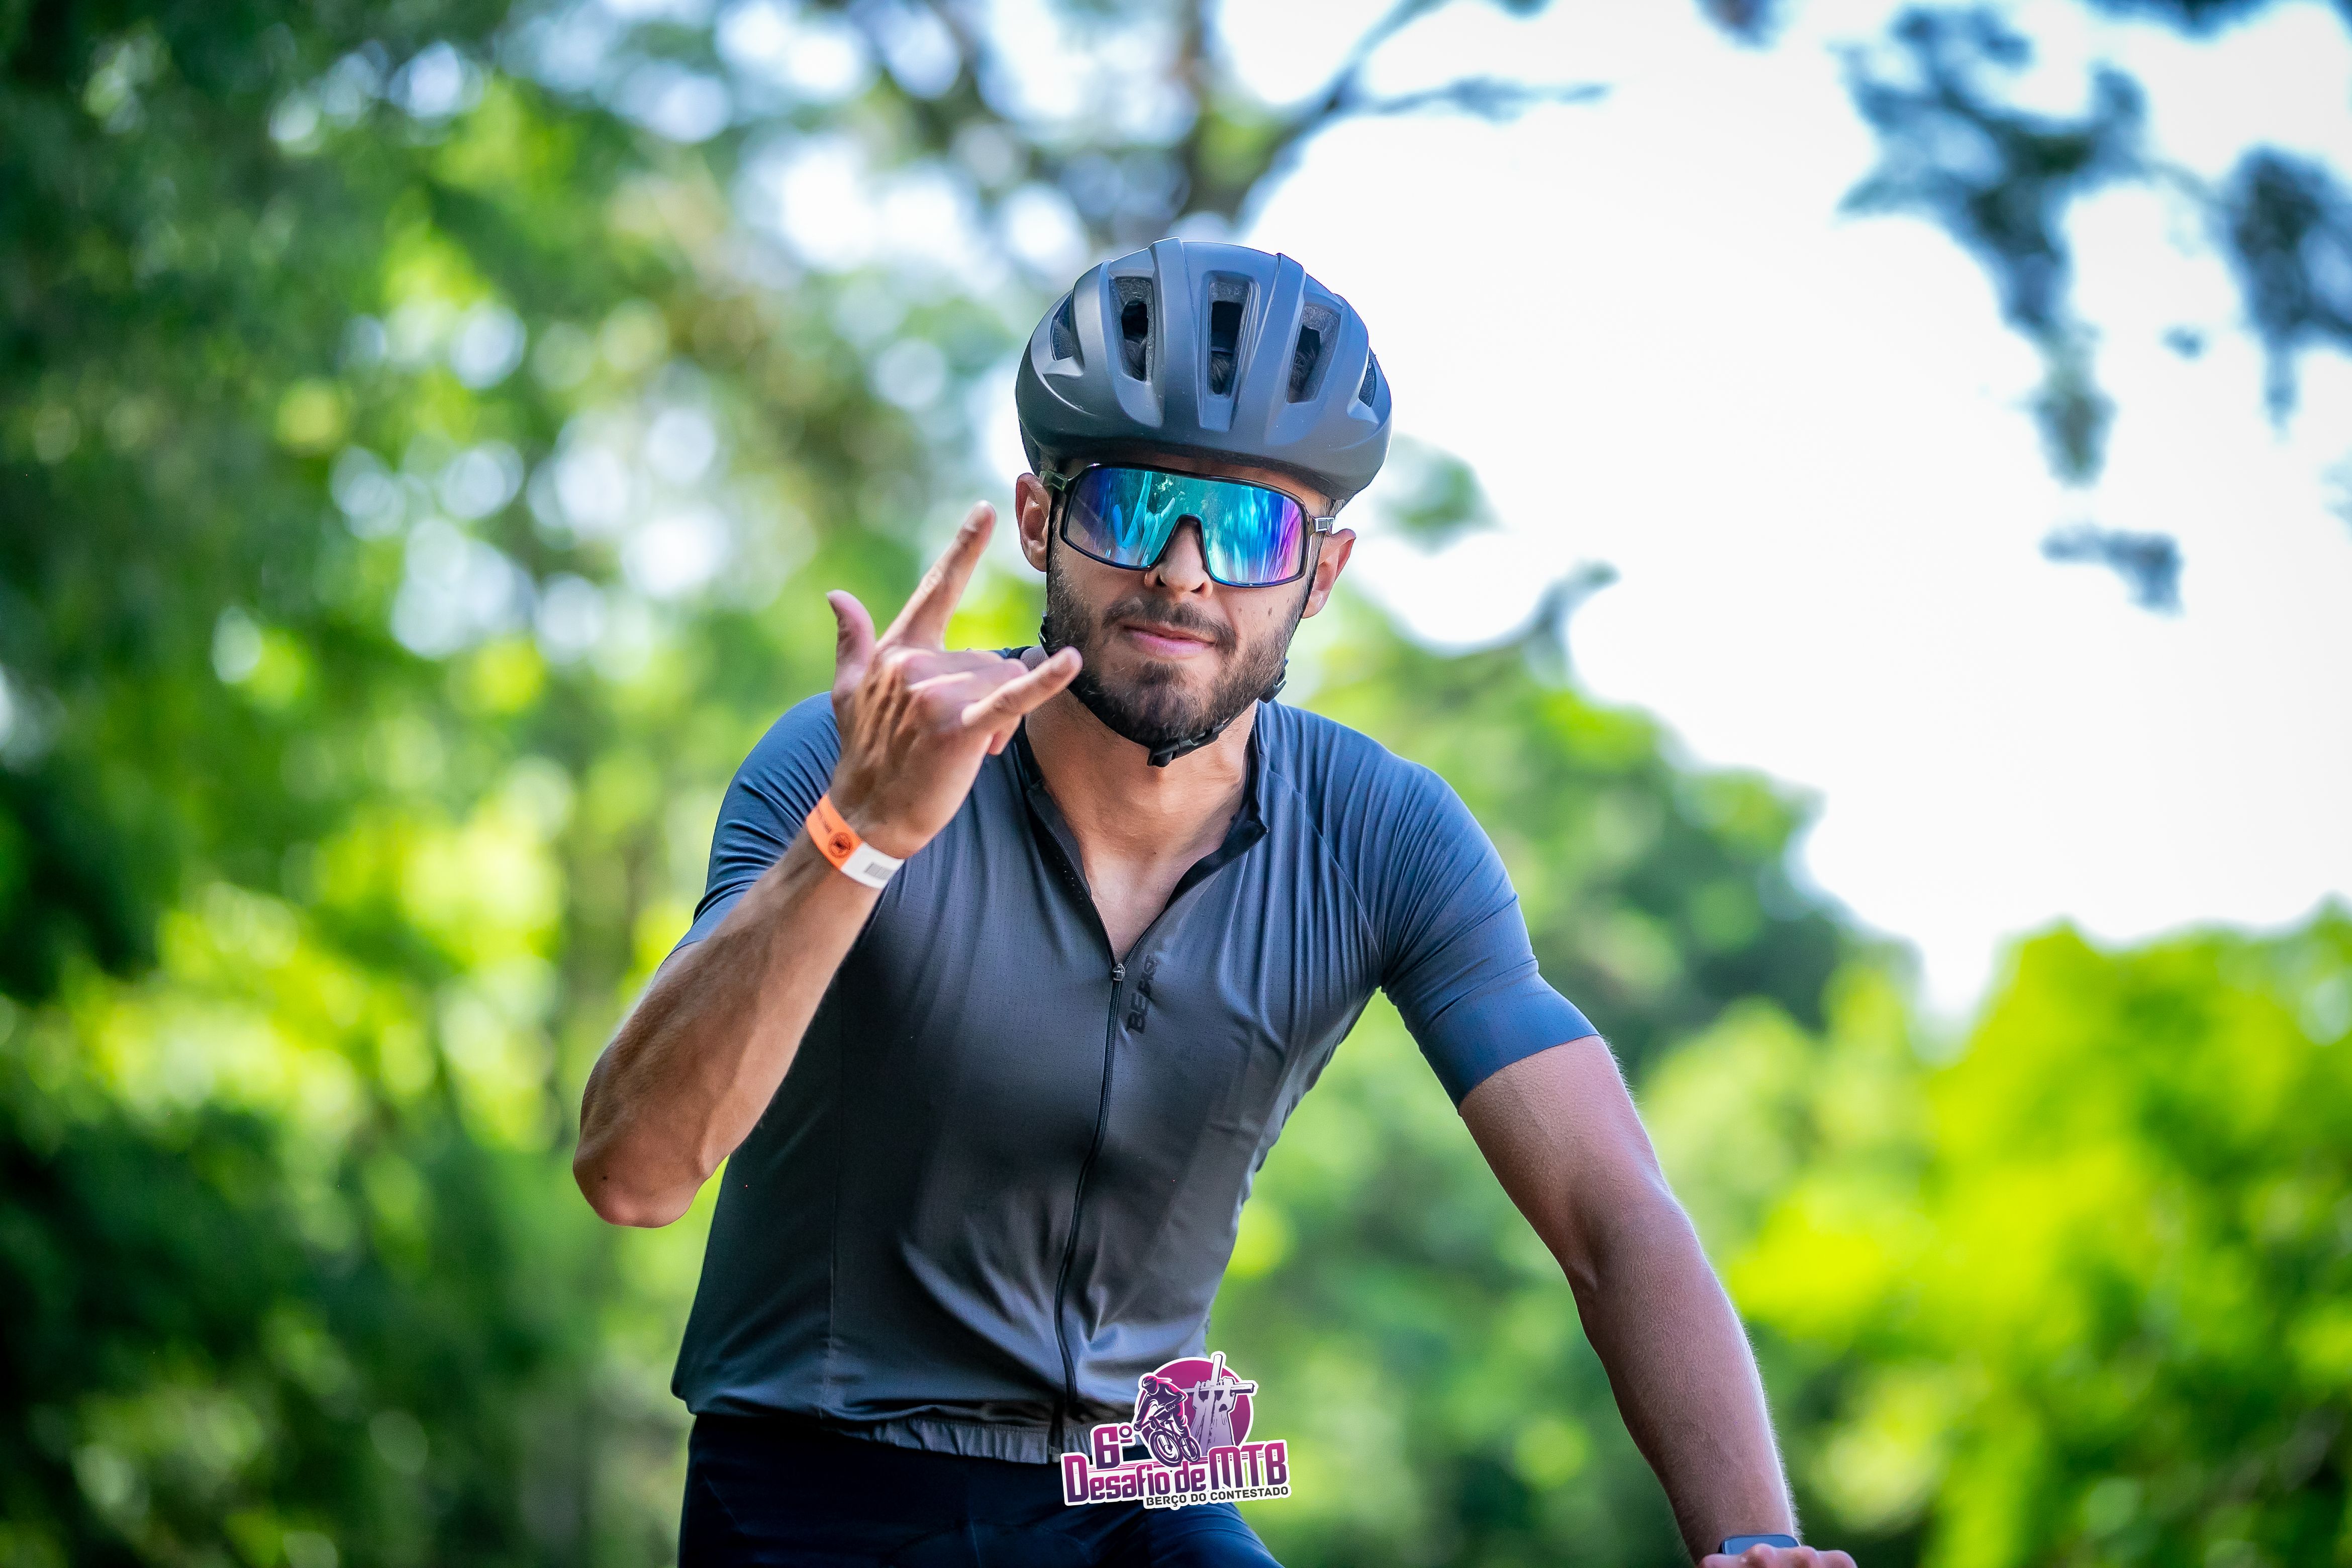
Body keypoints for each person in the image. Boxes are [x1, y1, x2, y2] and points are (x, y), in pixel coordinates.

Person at [573, 239, 1855, 1568]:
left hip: (1146, 1489)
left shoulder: (1384, 838)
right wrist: (862, 835)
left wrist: (1756, 1543)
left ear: (1322, 574)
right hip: (821, 1490)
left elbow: (1612, 1215)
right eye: (1137, 506)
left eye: (1250, 530)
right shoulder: (849, 765)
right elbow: (633, 1172)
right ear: (1040, 522)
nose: (1185, 572)